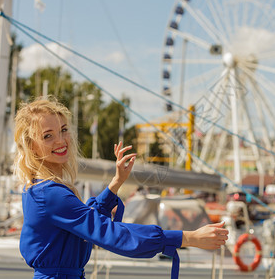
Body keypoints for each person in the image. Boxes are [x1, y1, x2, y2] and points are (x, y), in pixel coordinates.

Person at [14, 96, 228, 279]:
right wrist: (187, 238)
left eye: (63, 130)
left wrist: (115, 183)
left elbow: (86, 224)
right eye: (48, 136)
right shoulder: (50, 194)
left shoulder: (40, 189)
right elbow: (110, 233)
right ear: (30, 145)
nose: (61, 140)